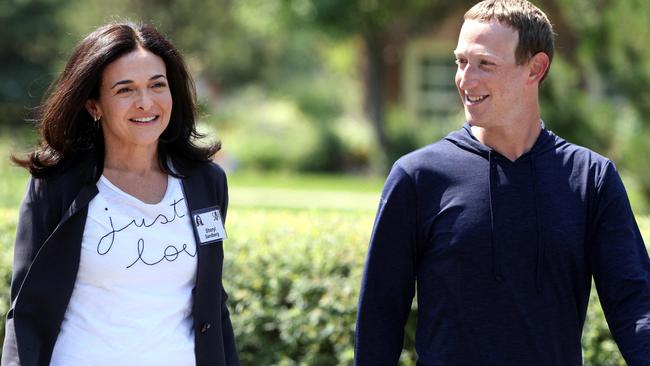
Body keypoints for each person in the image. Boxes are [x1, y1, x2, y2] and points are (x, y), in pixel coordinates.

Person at [354, 0, 650, 365]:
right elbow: (379, 319)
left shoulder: (591, 179)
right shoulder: (417, 178)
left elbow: (635, 303)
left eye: (485, 64)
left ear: (535, 68)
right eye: (461, 61)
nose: (466, 79)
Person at [1, 22, 239, 366]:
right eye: (125, 90)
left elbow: (213, 306)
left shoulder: (205, 182)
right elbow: (27, 312)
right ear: (94, 105)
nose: (146, 102)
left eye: (157, 85)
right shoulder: (56, 185)